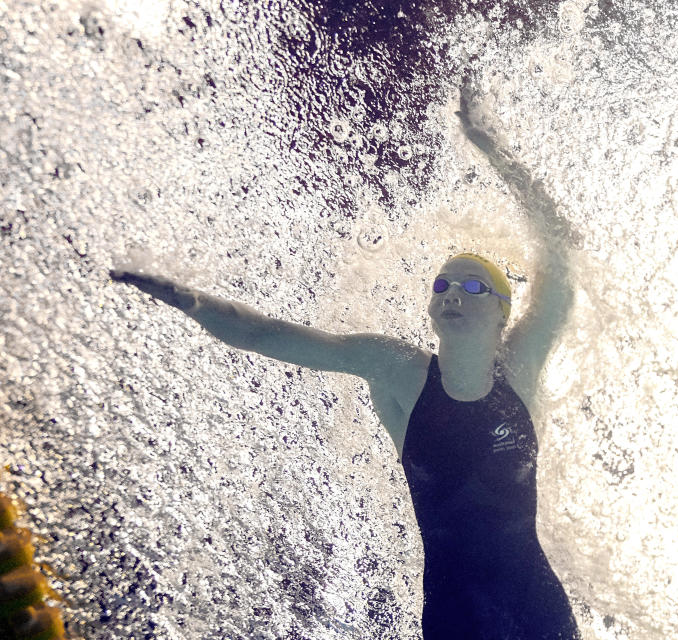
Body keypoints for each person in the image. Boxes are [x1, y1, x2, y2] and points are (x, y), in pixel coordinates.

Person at [111, 84, 581, 639]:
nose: (452, 292)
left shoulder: (522, 365)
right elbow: (267, 334)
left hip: (537, 610)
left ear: (504, 312)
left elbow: (560, 249)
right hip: (457, 616)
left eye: (473, 285)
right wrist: (187, 300)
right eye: (442, 284)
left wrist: (491, 145)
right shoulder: (398, 371)